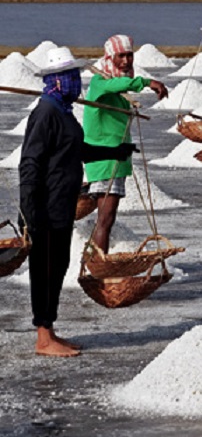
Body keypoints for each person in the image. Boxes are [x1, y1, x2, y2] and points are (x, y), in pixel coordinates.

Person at [19, 47, 137, 357]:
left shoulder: (64, 112)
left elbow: (78, 151)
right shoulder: (45, 113)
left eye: (76, 77)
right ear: (55, 81)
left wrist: (114, 153)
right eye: (70, 78)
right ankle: (43, 338)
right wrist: (29, 210)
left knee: (58, 266)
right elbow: (30, 163)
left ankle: (51, 330)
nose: (76, 83)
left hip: (62, 205)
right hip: (44, 206)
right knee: (44, 269)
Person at [83, 34, 168, 253]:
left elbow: (120, 84)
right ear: (110, 57)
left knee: (106, 218)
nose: (126, 60)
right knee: (106, 218)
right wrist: (148, 82)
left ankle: (96, 260)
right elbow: (117, 84)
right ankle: (97, 265)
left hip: (115, 158)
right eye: (120, 56)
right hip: (105, 160)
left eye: (129, 55)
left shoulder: (116, 85)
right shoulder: (100, 83)